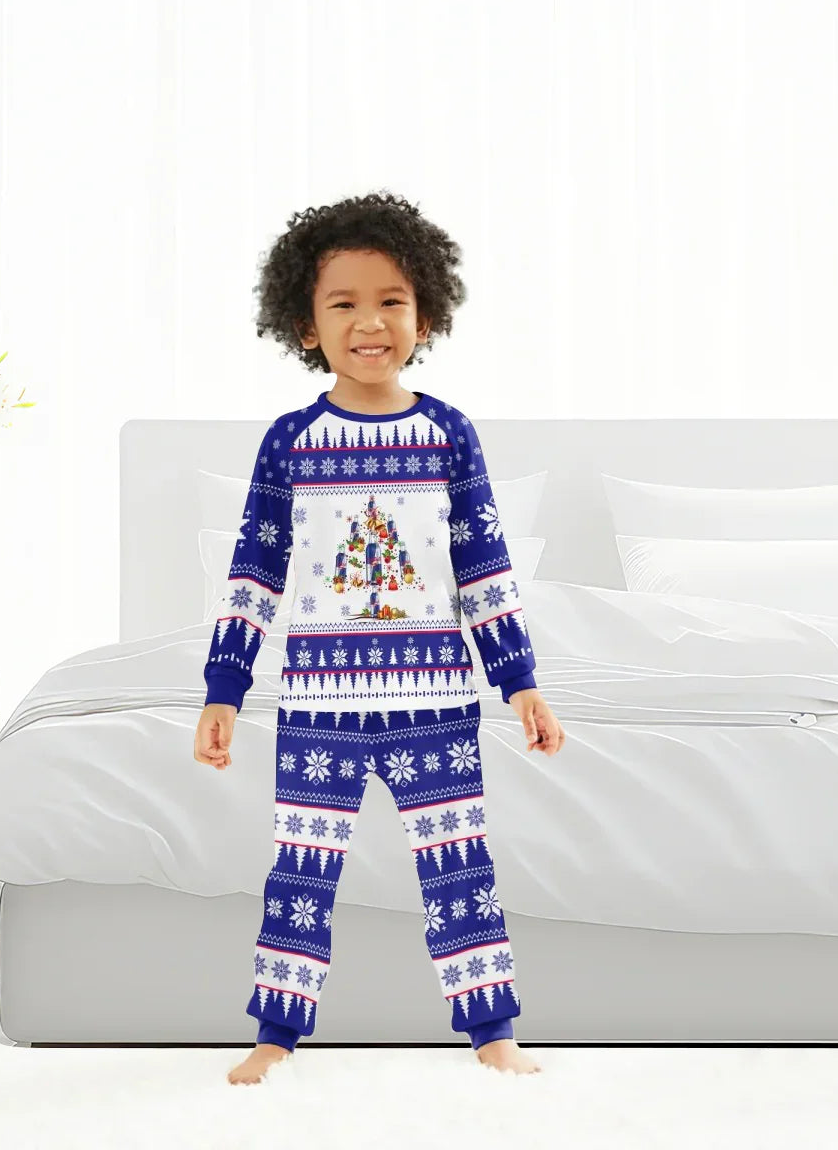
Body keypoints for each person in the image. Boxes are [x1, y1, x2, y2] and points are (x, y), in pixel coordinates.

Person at [194, 191, 565, 1085]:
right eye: (344, 304)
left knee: (458, 863)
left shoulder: (446, 436)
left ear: (426, 314)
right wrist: (224, 688)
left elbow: (483, 569)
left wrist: (519, 681)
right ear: (305, 324)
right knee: (302, 866)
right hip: (319, 701)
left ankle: (494, 1031)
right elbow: (255, 574)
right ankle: (276, 1032)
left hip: (434, 698)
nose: (370, 322)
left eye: (391, 300)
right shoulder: (292, 443)